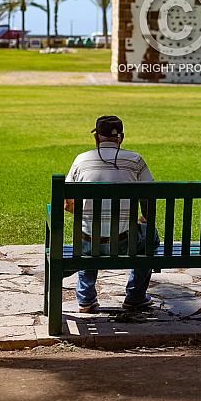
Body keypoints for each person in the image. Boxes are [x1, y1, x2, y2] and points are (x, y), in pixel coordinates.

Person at [64, 115, 159, 313]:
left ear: (97, 138)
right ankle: (135, 296)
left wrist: (85, 216)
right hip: (125, 242)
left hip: (88, 242)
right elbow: (149, 199)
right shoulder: (135, 160)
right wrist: (143, 220)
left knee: (87, 236)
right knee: (151, 235)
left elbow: (67, 203)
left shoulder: (81, 160)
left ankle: (86, 298)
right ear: (121, 138)